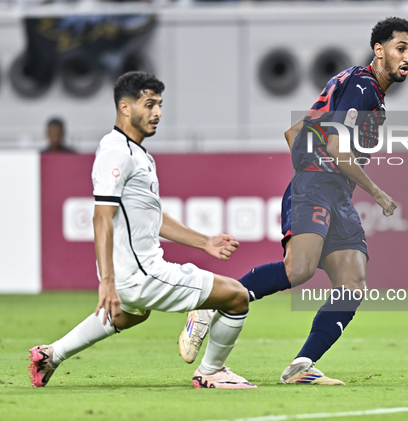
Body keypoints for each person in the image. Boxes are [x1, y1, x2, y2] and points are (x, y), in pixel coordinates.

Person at [178, 16, 408, 386]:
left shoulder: (352, 81)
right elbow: (337, 147)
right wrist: (369, 190)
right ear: (379, 50)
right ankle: (210, 306)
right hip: (320, 189)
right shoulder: (363, 87)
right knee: (299, 270)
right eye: (401, 48)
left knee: (352, 284)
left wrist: (313, 173)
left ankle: (301, 366)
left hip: (331, 192)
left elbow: (294, 132)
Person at [28, 71, 256, 389]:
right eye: (149, 104)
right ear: (125, 107)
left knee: (130, 315)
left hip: (132, 274)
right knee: (236, 296)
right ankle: (212, 372)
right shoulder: (116, 153)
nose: (158, 113)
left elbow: (152, 216)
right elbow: (101, 217)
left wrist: (204, 242)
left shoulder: (138, 154)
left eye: (160, 104)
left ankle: (51, 355)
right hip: (141, 274)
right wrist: (107, 282)